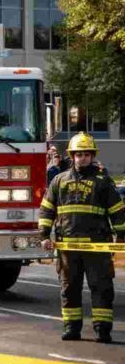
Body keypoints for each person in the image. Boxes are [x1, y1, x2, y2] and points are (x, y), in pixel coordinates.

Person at [39, 132, 125, 343]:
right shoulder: (59, 181)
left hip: (97, 247)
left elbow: (117, 211)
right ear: (72, 156)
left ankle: (102, 330)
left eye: (87, 154)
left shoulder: (103, 182)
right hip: (68, 249)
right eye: (79, 154)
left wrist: (121, 236)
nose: (83, 158)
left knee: (102, 288)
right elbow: (47, 209)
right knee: (69, 289)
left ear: (92, 156)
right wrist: (44, 235)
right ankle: (71, 328)